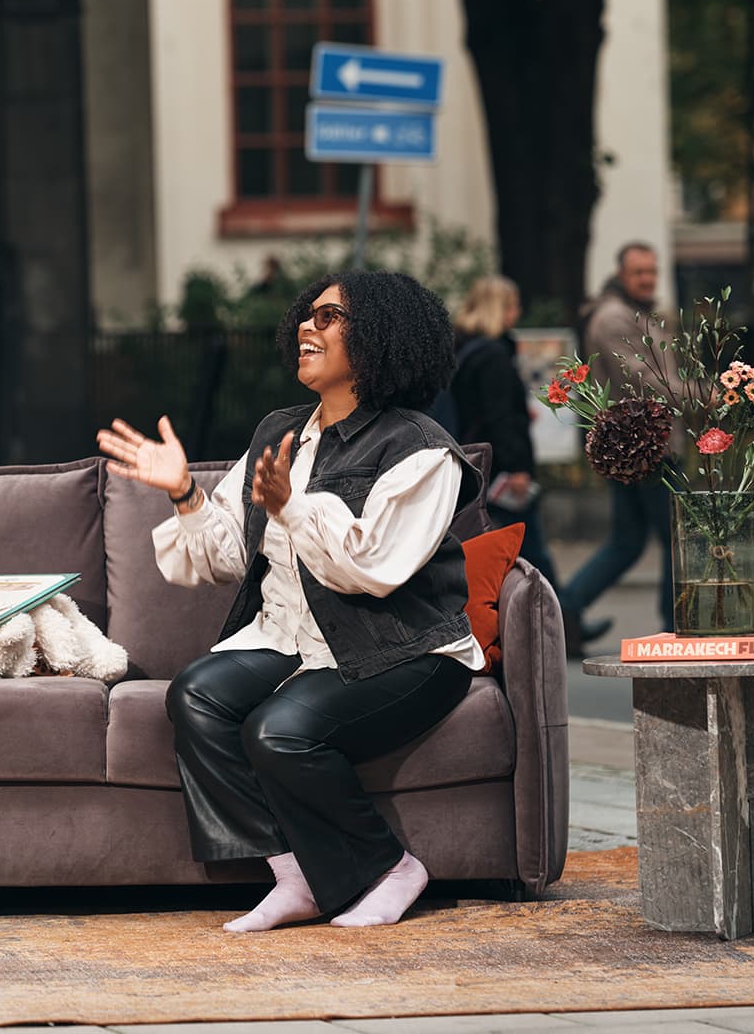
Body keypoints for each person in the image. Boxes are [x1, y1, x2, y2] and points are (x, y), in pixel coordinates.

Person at [96, 271, 485, 933]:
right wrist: (185, 489)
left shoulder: (420, 451)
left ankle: (392, 867)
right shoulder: (278, 433)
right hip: (294, 641)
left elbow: (374, 569)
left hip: (404, 651)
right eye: (308, 315)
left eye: (330, 317)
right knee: (195, 694)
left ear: (381, 338)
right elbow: (223, 556)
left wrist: (294, 506)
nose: (308, 325)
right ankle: (293, 874)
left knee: (278, 730)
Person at [559, 242, 673, 655]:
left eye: (652, 271)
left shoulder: (636, 314)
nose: (647, 279)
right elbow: (643, 380)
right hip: (641, 445)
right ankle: (675, 626)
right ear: (622, 275)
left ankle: (565, 609)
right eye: (639, 272)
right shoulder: (612, 318)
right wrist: (707, 394)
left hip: (640, 443)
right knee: (674, 537)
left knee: (628, 541)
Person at [448, 275, 558, 587]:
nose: (517, 313)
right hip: (501, 472)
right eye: (512, 306)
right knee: (532, 553)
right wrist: (518, 467)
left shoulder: (462, 350)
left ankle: (563, 615)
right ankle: (562, 619)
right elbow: (499, 417)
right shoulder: (493, 356)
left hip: (475, 465)